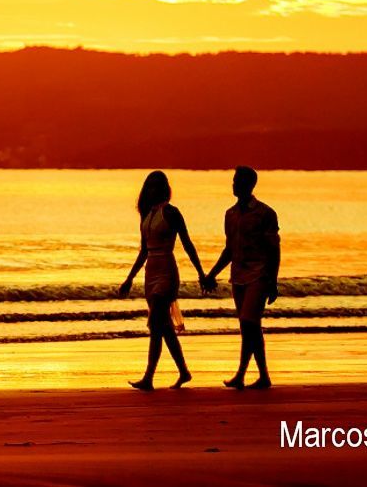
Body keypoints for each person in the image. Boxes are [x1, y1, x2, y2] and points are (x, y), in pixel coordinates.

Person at [118, 169, 212, 390]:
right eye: (149, 185)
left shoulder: (172, 213)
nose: (153, 189)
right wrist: (129, 279)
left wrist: (201, 273)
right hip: (150, 271)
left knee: (156, 325)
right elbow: (143, 251)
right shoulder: (146, 214)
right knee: (164, 327)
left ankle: (148, 377)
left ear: (164, 188)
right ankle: (184, 372)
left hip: (167, 271)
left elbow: (187, 244)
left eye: (157, 185)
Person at [205, 165, 281, 390]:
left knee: (250, 322)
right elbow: (229, 249)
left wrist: (273, 281)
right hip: (237, 276)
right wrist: (212, 274)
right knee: (247, 326)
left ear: (249, 184)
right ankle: (256, 376)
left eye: (238, 181)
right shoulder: (230, 214)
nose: (234, 184)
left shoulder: (265, 213)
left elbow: (274, 250)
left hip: (259, 274)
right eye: (234, 180)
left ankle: (248, 374)